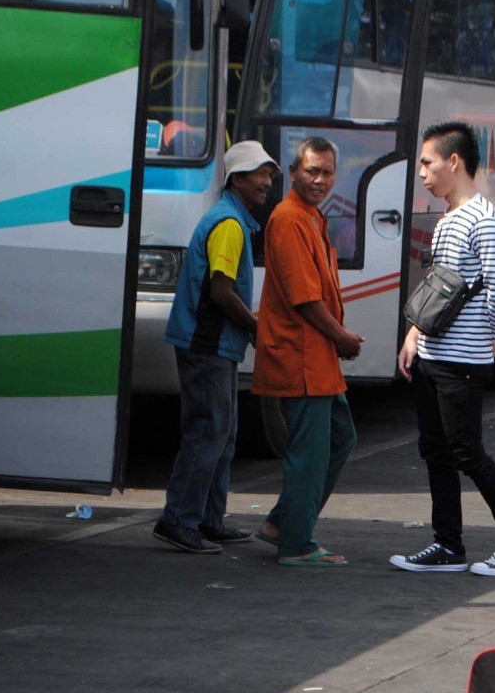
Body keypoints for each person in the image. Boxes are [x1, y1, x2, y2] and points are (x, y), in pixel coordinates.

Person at [390, 122, 495, 578]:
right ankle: (447, 544)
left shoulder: (484, 220)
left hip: (462, 361)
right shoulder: (447, 221)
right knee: (436, 450)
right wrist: (414, 335)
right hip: (434, 357)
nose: (422, 173)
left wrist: (484, 342)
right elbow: (437, 290)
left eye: (427, 163)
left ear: (453, 162)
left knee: (466, 452)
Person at [153, 141, 275, 553]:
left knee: (223, 434)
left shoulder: (235, 220)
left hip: (216, 345)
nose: (267, 181)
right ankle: (178, 520)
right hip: (206, 345)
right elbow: (221, 292)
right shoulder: (229, 225)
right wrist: (255, 325)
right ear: (237, 179)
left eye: (270, 174)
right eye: (260, 173)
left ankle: (208, 519)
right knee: (208, 433)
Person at [252, 136, 362, 567]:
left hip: (317, 358)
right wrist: (341, 337)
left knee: (340, 437)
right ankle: (296, 542)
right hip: (300, 356)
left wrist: (336, 339)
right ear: (293, 172)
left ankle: (283, 520)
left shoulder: (311, 217)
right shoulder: (289, 219)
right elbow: (304, 298)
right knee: (309, 452)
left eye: (327, 172)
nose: (319, 180)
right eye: (312, 171)